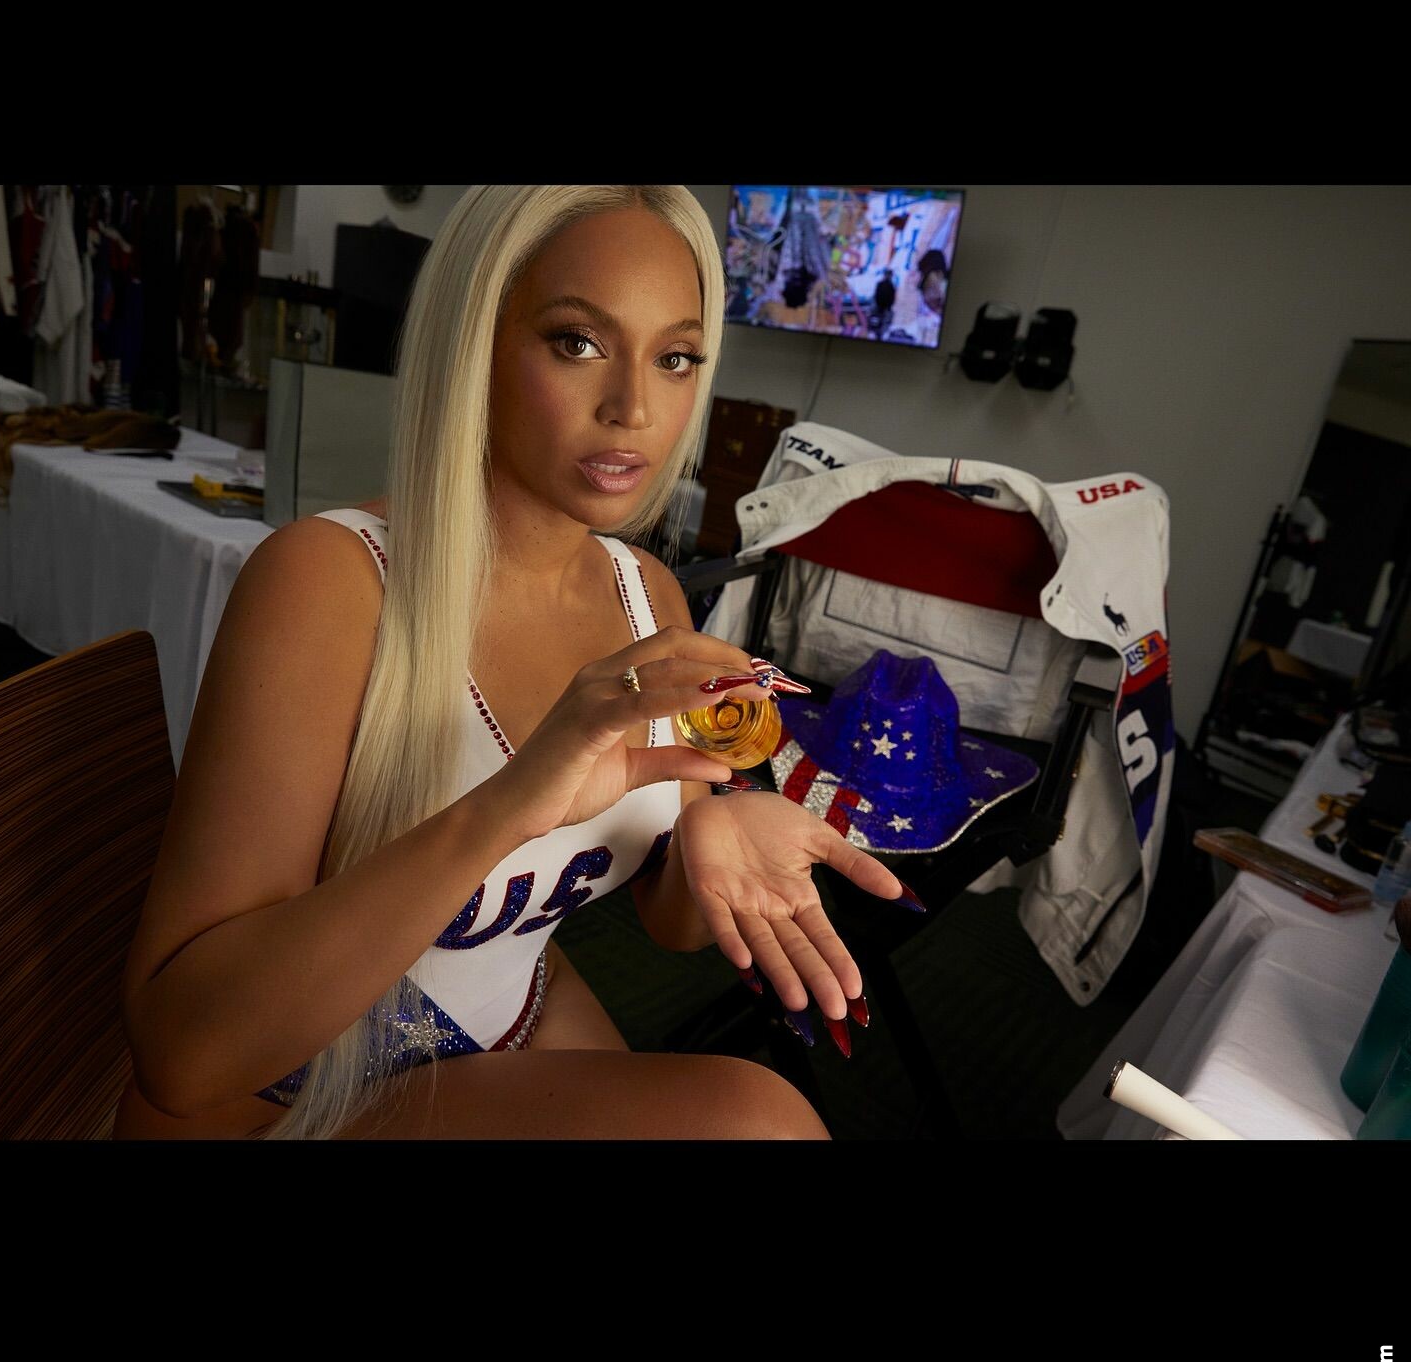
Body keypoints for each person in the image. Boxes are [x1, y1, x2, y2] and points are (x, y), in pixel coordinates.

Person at [114, 186, 911, 1141]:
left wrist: (713, 834)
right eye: (577, 342)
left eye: (675, 358)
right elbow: (183, 1056)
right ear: (475, 340)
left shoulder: (649, 596)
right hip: (279, 1098)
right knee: (758, 1122)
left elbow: (669, 923)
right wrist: (508, 805)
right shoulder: (329, 582)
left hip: (505, 1029)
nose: (633, 408)